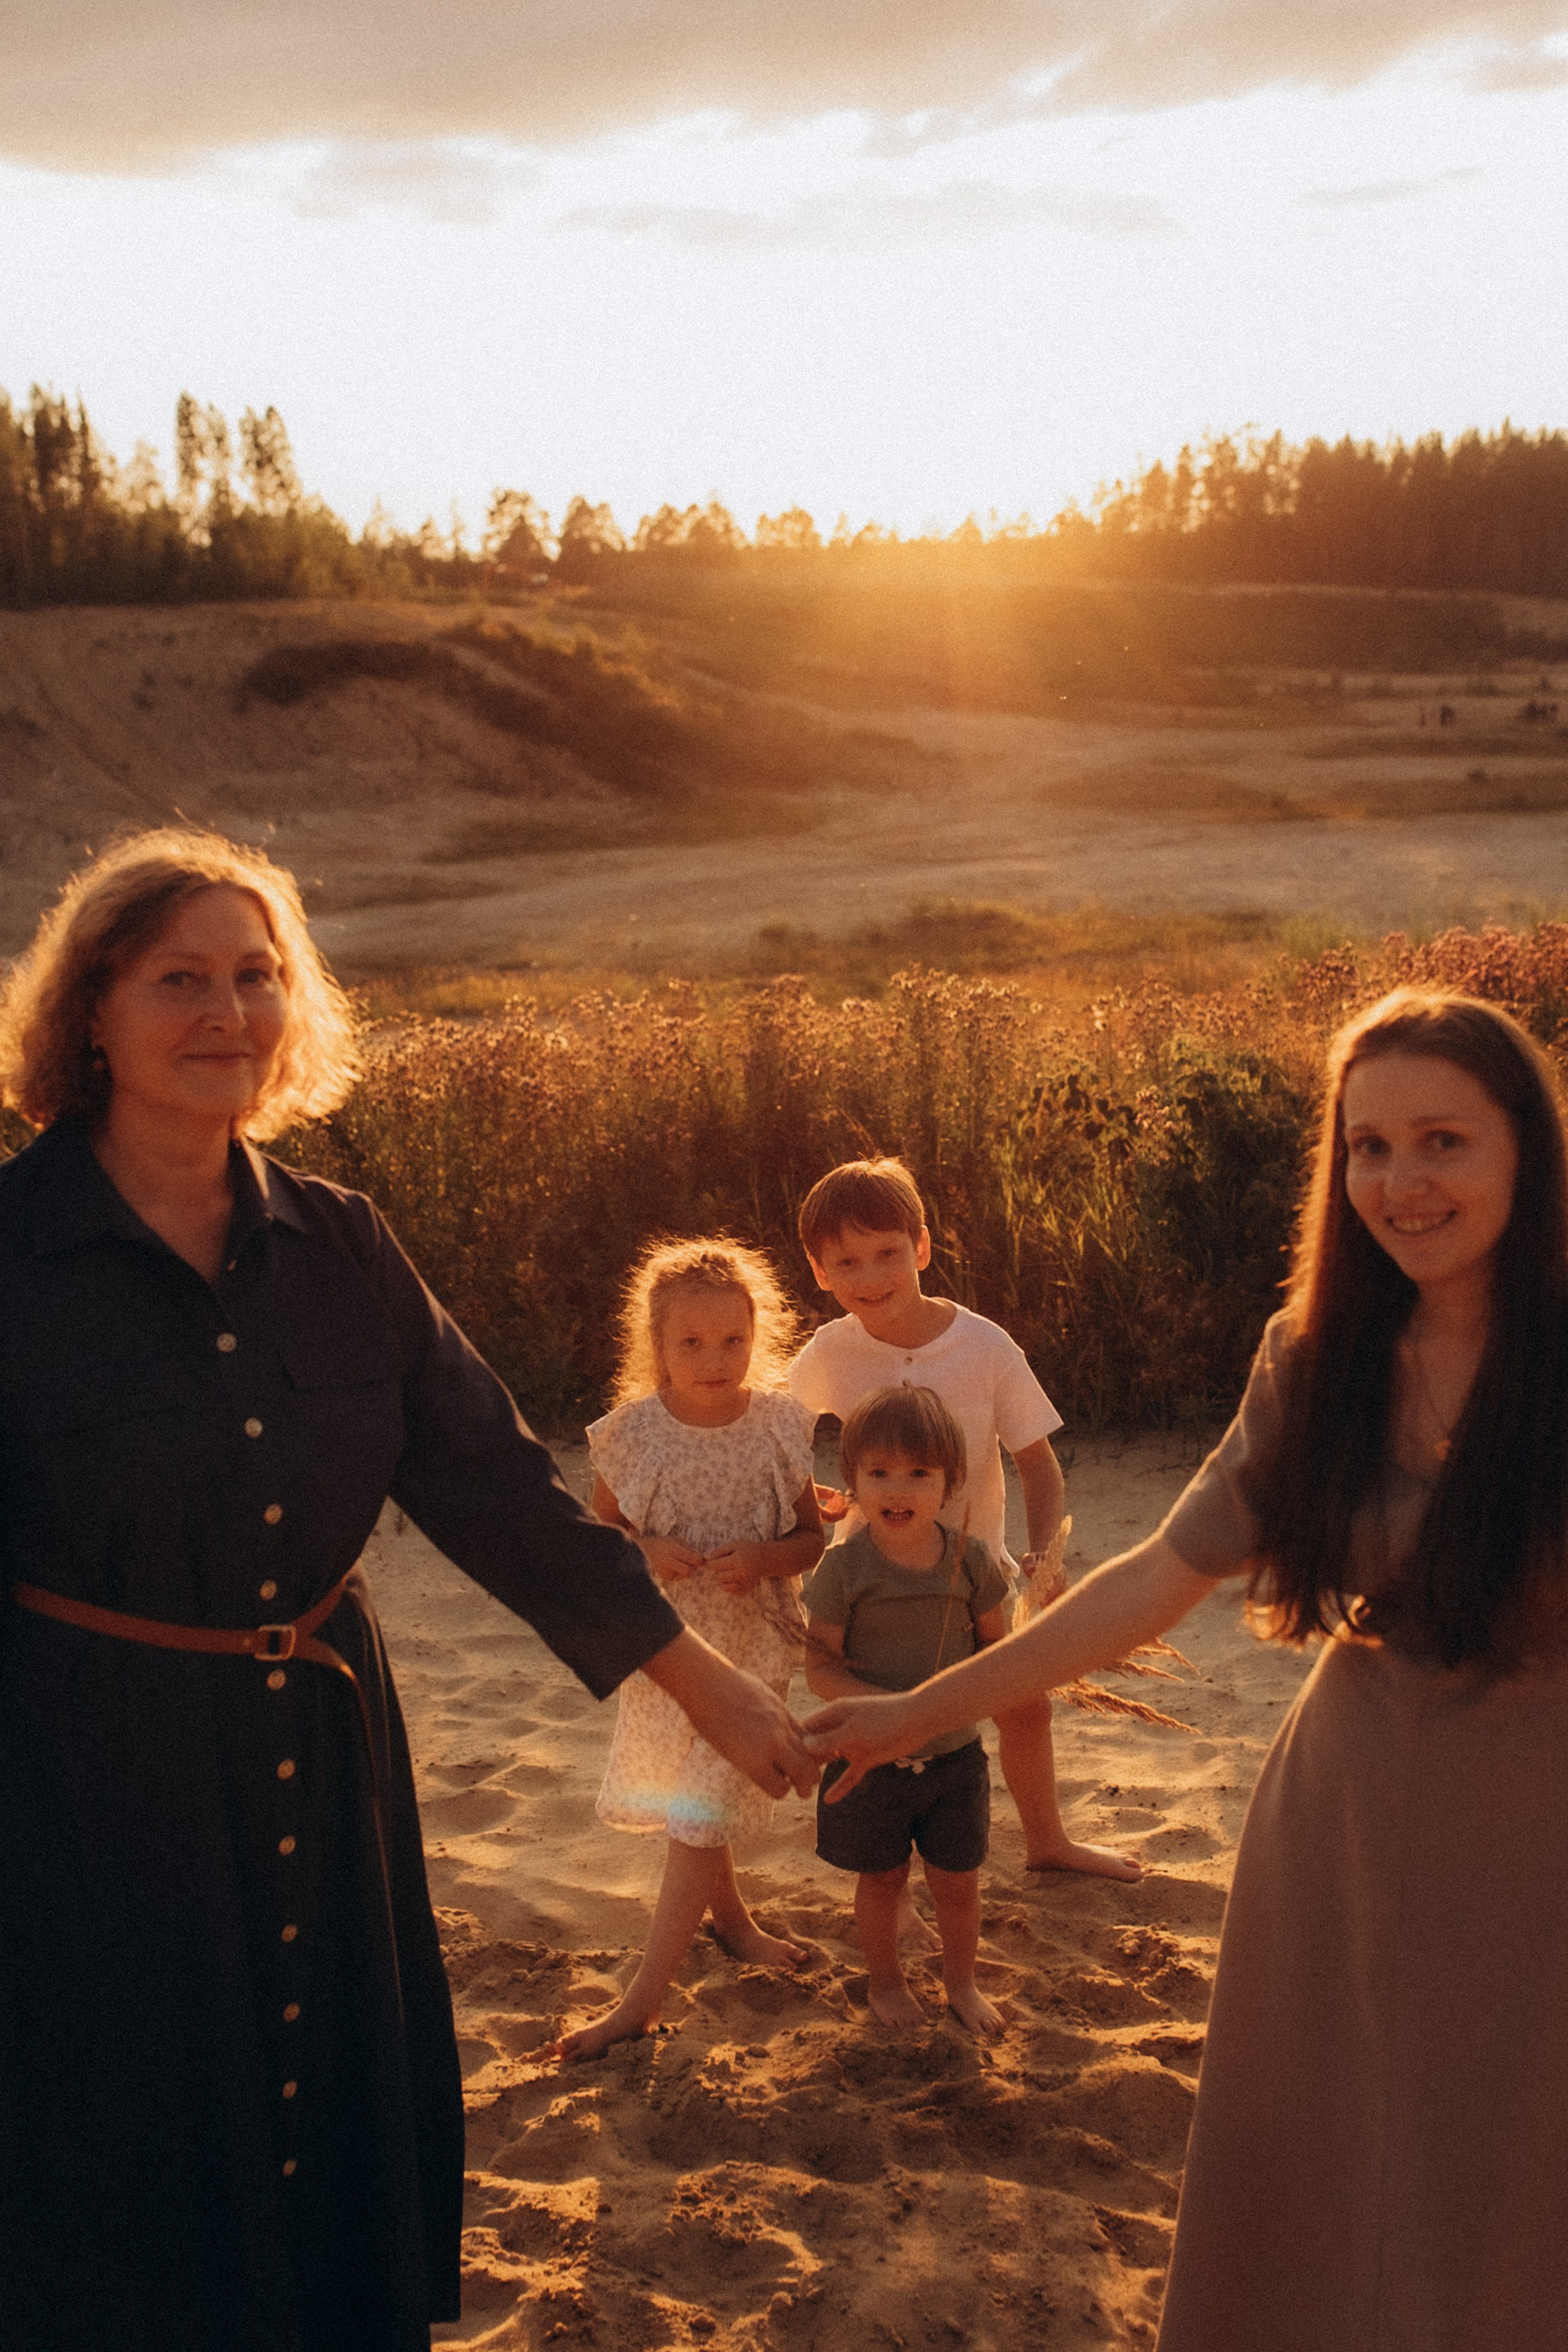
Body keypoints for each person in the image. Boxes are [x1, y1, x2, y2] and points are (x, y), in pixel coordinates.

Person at [0, 829, 815, 2352]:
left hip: (322, 1741)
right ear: (91, 1009)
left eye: (257, 976)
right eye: (180, 977)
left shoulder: (341, 1244)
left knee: (326, 2094)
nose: (226, 1013)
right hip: (88, 1774)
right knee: (124, 2130)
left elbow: (493, 1485)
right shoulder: (13, 1251)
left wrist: (702, 1679)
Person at [804, 989, 1568, 2351]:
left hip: (1539, 1826)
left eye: (1440, 1141)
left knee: (1511, 2185)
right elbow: (1160, 1576)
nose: (1399, 1183)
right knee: (1337, 2183)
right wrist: (923, 1707)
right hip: (1342, 1817)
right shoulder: (1312, 1354)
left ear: (1526, 1145)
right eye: (1367, 1147)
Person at [788, 1154, 1137, 1880]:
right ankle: (883, 1873)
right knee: (885, 1715)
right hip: (870, 1578)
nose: (870, 1276)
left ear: (921, 1247)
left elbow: (1036, 1463)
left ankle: (1048, 1842)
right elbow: (775, 1443)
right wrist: (810, 1500)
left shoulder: (981, 1345)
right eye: (846, 1262)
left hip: (974, 1568)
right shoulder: (828, 1353)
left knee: (1023, 1708)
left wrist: (1045, 1555)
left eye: (887, 1253)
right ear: (819, 1272)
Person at [554, 1238, 824, 2060]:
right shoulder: (633, 1435)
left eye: (733, 1341)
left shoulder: (781, 1425)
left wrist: (766, 1557)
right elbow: (602, 1534)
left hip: (754, 1643)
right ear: (658, 1347)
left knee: (699, 1812)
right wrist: (649, 1549)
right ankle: (734, 1924)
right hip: (669, 1645)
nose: (715, 1360)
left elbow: (812, 1537)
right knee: (693, 1801)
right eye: (692, 1344)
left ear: (758, 1336)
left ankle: (641, 2000)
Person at [803, 1385, 1011, 2035]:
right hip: (868, 1760)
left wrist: (937, 1712)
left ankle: (961, 1983)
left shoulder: (970, 1561)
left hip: (954, 1759)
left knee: (957, 1883)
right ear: (853, 1484)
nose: (898, 1490)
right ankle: (886, 1984)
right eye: (879, 1473)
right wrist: (892, 1711)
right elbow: (819, 1669)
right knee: (882, 1881)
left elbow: (998, 1656)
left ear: (949, 1482)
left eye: (918, 1473)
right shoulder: (843, 1571)